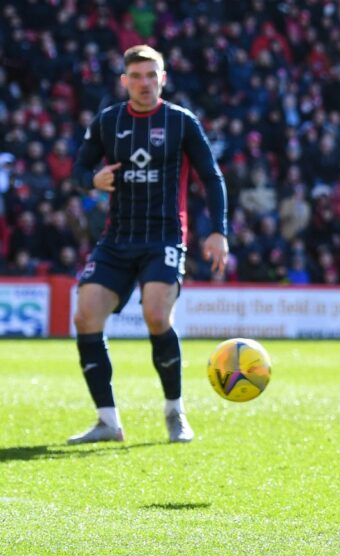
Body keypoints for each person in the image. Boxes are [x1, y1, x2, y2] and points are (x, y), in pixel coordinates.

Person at [67, 45, 229, 445]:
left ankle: (175, 411)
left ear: (163, 79)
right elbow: (78, 169)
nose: (144, 83)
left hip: (164, 235)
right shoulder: (108, 122)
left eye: (151, 75)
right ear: (124, 81)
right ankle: (108, 422)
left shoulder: (181, 122)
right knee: (86, 317)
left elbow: (211, 176)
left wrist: (218, 230)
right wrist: (92, 180)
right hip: (117, 237)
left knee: (156, 315)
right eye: (136, 76)